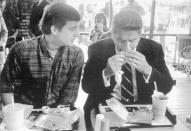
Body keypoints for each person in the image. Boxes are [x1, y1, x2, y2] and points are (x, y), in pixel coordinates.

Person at [82, 10, 174, 130]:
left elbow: (167, 86)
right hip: (104, 107)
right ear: (113, 35)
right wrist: (106, 73)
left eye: (132, 41)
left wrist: (148, 70)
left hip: (142, 110)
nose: (126, 47)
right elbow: (86, 87)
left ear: (140, 35)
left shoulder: (153, 49)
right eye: (121, 40)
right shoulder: (97, 49)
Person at [0, 2, 84, 109]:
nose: (77, 34)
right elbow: (5, 85)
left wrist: (56, 121)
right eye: (72, 29)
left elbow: (68, 97)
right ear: (54, 29)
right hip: (25, 115)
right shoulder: (21, 50)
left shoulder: (76, 55)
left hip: (58, 115)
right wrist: (14, 113)